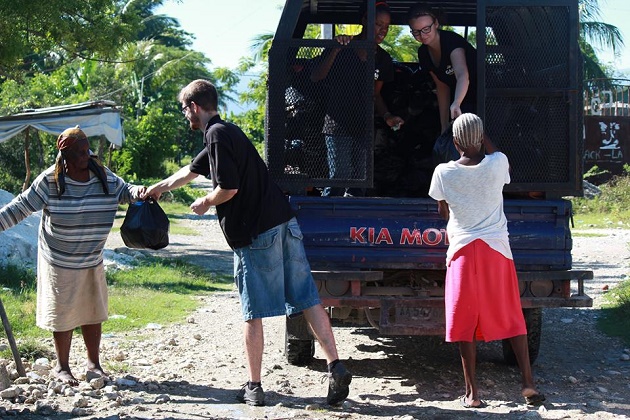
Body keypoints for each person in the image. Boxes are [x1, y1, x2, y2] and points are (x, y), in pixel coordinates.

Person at [143, 79, 352, 407]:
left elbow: (228, 187)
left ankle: (253, 386)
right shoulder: (228, 131)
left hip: (257, 235)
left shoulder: (214, 135)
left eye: (185, 109)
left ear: (195, 107)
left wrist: (206, 203)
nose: (185, 115)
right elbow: (190, 171)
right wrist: (160, 187)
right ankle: (336, 366)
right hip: (285, 224)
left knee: (252, 312)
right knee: (308, 298)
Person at [0, 127, 145, 386]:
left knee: (92, 310)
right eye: (79, 152)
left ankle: (94, 365)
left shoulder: (104, 177)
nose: (86, 155)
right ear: (64, 156)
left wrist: (141, 192)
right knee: (64, 312)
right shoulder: (50, 181)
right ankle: (62, 367)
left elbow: (127, 191)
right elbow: (21, 206)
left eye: (87, 150)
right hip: (59, 258)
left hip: (91, 256)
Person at [428, 113, 546, 408]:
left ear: (454, 142)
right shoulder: (498, 163)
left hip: (463, 251)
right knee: (512, 314)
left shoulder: (443, 172)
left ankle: (472, 394)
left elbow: (442, 210)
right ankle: (528, 384)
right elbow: (493, 154)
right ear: (482, 138)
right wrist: (482, 136)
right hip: (497, 249)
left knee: (465, 320)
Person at [311, 1, 404, 196]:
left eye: (386, 27)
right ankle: (328, 219)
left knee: (360, 180)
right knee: (339, 176)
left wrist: (387, 115)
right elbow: (316, 77)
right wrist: (335, 48)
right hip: (338, 123)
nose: (382, 30)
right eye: (378, 24)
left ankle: (352, 222)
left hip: (363, 125)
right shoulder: (344, 45)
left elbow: (375, 93)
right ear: (364, 20)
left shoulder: (383, 59)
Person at [408, 3, 477, 134]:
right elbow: (441, 86)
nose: (422, 35)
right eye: (416, 32)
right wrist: (444, 124)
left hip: (486, 92)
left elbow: (462, 75)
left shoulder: (451, 41)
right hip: (461, 97)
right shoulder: (423, 52)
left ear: (436, 24)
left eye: (426, 28)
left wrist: (456, 102)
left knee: (475, 133)